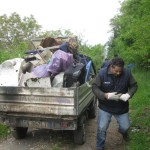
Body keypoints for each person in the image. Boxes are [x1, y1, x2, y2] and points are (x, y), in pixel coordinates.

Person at [92, 57, 138, 150]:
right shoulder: (102, 73)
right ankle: (99, 146)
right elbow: (94, 87)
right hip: (105, 106)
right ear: (111, 67)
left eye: (120, 71)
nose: (118, 73)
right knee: (102, 128)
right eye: (116, 71)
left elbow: (134, 85)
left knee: (125, 127)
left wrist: (129, 94)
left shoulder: (127, 73)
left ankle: (123, 132)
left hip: (121, 107)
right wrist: (105, 95)